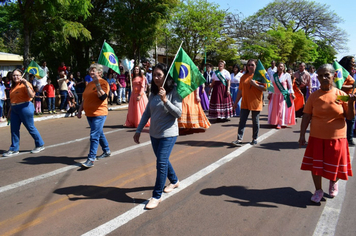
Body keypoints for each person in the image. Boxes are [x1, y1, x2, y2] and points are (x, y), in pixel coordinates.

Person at [299, 64, 355, 203]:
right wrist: (302, 136)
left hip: (337, 138)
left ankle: (333, 182)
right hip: (317, 137)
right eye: (321, 75)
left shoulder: (341, 95)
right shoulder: (313, 96)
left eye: (327, 75)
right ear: (317, 77)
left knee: (334, 164)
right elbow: (306, 116)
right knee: (316, 166)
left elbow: (349, 117)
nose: (324, 78)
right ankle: (318, 190)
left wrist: (352, 103)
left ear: (333, 76)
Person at [133, 63, 182, 209]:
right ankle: (174, 180)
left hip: (169, 134)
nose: (156, 77)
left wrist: (166, 100)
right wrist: (138, 130)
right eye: (154, 74)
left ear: (165, 76)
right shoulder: (153, 92)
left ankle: (156, 196)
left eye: (159, 75)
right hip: (154, 134)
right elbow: (147, 113)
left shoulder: (174, 92)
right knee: (163, 160)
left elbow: (178, 113)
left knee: (160, 162)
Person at [3, 69, 45, 157]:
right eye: (14, 75)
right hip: (14, 109)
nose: (15, 77)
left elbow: (32, 95)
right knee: (14, 129)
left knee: (30, 127)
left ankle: (40, 144)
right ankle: (14, 148)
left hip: (25, 108)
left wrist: (26, 84)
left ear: (21, 76)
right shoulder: (13, 86)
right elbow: (13, 101)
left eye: (17, 75)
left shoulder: (25, 84)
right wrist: (9, 112)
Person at [77, 63, 111, 168]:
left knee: (94, 135)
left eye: (94, 70)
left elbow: (103, 97)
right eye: (90, 70)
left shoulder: (104, 83)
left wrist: (97, 84)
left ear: (100, 72)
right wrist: (80, 110)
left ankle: (91, 159)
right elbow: (85, 98)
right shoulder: (89, 84)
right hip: (89, 114)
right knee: (99, 133)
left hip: (99, 113)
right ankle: (106, 150)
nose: (91, 72)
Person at [232, 59, 267, 146]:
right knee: (242, 121)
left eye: (252, 65)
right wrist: (236, 102)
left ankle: (254, 138)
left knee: (255, 121)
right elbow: (240, 91)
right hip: (245, 102)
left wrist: (255, 84)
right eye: (248, 65)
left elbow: (265, 88)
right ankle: (239, 139)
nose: (250, 67)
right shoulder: (243, 77)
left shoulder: (260, 76)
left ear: (256, 66)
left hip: (256, 102)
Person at [267, 62, 296, 128]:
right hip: (275, 95)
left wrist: (292, 93)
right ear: (277, 67)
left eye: (282, 66)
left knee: (281, 109)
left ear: (284, 68)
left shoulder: (287, 75)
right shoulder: (273, 75)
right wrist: (269, 93)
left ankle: (280, 123)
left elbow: (290, 85)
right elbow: (271, 85)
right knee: (274, 109)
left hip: (283, 95)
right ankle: (274, 121)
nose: (280, 68)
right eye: (279, 66)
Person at [339, 56, 356, 146]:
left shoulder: (349, 73)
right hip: (344, 98)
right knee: (350, 119)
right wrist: (353, 86)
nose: (354, 64)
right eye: (352, 62)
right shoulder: (341, 73)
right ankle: (348, 139)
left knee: (351, 119)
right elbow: (339, 86)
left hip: (351, 99)